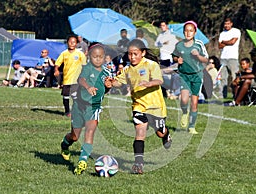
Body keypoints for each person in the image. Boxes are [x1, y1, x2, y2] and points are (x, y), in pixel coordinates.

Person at [112, 39, 172, 174]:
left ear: (143, 53)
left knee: (160, 132)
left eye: (135, 54)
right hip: (138, 106)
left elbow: (159, 80)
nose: (132, 57)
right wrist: (111, 82)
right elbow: (118, 82)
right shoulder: (127, 69)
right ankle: (138, 164)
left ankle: (166, 135)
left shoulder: (151, 65)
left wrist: (148, 83)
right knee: (140, 133)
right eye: (130, 54)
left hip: (155, 106)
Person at [60, 43, 112, 175]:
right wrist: (88, 87)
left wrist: (108, 86)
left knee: (89, 132)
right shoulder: (86, 68)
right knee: (75, 136)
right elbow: (81, 80)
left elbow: (104, 90)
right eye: (95, 56)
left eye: (100, 56)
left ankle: (82, 161)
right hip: (79, 106)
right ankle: (65, 144)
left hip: (94, 108)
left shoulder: (106, 72)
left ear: (104, 57)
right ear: (89, 56)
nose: (98, 59)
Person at [172, 20, 208, 134]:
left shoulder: (199, 45)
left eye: (191, 31)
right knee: (183, 99)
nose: (188, 33)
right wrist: (178, 60)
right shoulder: (179, 45)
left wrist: (198, 56)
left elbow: (205, 59)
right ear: (183, 32)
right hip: (184, 75)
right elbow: (174, 57)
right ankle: (184, 112)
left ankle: (192, 126)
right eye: (186, 31)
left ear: (195, 32)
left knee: (194, 102)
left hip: (197, 76)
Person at [54, 34, 87, 117]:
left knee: (75, 96)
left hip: (77, 79)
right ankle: (67, 111)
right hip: (67, 79)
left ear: (76, 43)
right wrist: (56, 70)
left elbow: (84, 65)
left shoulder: (80, 54)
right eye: (70, 42)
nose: (72, 44)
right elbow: (58, 63)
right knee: (65, 96)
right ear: (67, 43)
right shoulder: (64, 53)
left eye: (74, 42)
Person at [154, 20, 179, 98]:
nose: (162, 27)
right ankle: (165, 91)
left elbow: (174, 42)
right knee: (162, 75)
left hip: (168, 57)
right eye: (161, 26)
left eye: (163, 25)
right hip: (162, 57)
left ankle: (171, 91)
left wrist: (164, 42)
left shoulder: (171, 34)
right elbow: (156, 43)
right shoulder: (161, 34)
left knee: (169, 75)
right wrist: (162, 43)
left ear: (166, 26)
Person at [218, 18, 241, 98]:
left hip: (233, 57)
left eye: (228, 24)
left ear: (231, 24)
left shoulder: (236, 31)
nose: (226, 25)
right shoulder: (222, 33)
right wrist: (226, 42)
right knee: (223, 78)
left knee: (234, 77)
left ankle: (236, 95)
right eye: (225, 24)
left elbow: (233, 42)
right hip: (223, 57)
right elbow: (220, 46)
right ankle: (222, 95)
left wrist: (224, 42)